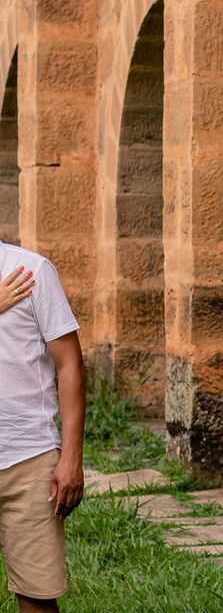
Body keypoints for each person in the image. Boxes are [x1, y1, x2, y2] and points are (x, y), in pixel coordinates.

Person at [0, 240, 85, 613]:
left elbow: (70, 364)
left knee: (37, 596)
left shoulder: (31, 270)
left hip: (28, 459)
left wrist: (71, 458)